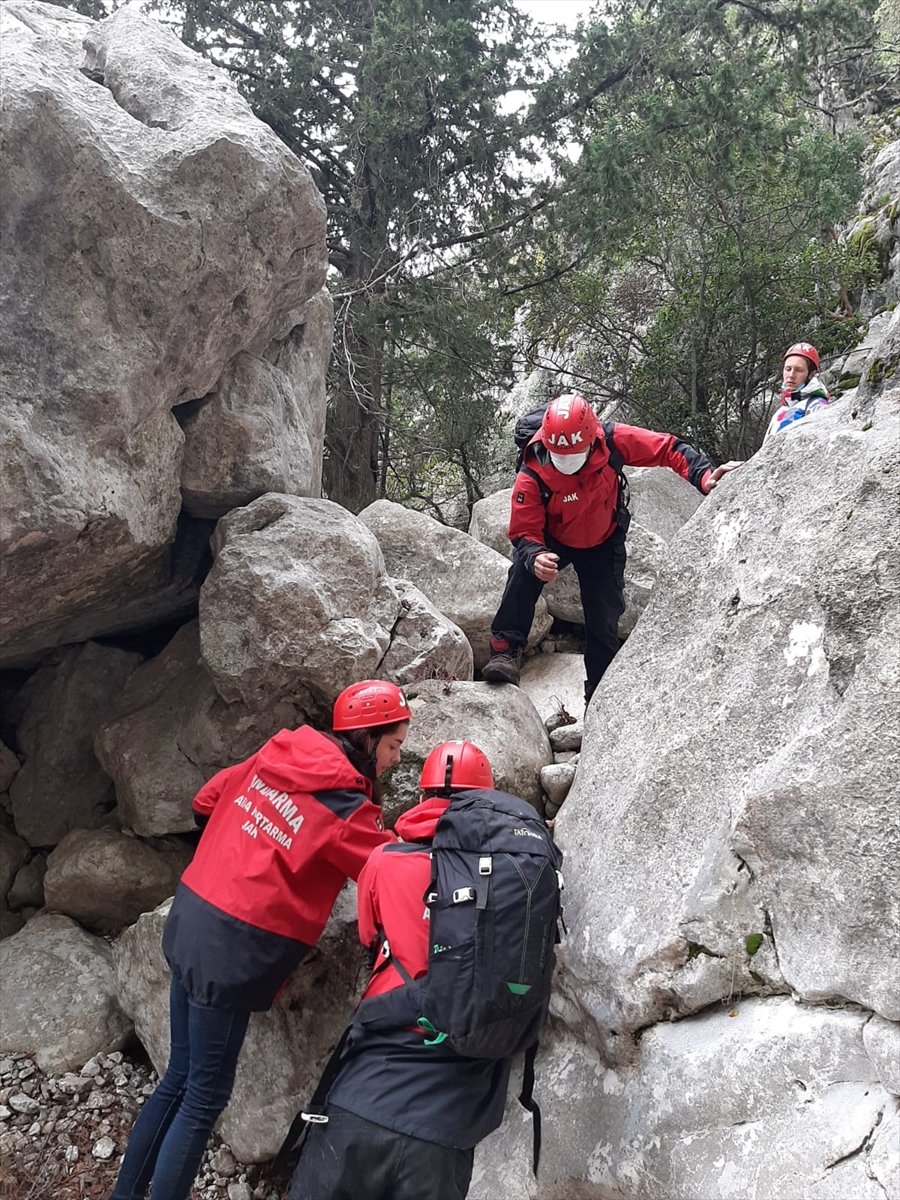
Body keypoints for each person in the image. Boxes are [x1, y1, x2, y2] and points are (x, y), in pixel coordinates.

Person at [110, 680, 411, 1200]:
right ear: (367, 739)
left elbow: (205, 802)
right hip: (233, 947)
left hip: (190, 916)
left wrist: (250, 844)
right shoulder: (344, 807)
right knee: (203, 1098)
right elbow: (390, 869)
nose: (397, 758)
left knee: (179, 1078)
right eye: (395, 744)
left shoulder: (277, 753)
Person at [287, 741, 517, 1200]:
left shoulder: (384, 861)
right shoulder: (512, 876)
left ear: (422, 794)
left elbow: (373, 938)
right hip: (448, 1120)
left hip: (363, 1094)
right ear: (487, 799)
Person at [482, 393, 741, 702]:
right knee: (522, 577)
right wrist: (535, 555)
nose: (566, 464)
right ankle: (504, 651)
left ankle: (599, 696)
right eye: (560, 457)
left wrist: (703, 476)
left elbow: (668, 448)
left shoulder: (612, 439)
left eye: (573, 456)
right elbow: (524, 530)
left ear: (592, 439)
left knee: (604, 618)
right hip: (555, 539)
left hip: (603, 540)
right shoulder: (534, 468)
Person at [764, 341, 830, 441]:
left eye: (798, 370)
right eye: (788, 369)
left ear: (811, 374)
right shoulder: (783, 409)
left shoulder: (817, 406)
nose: (791, 375)